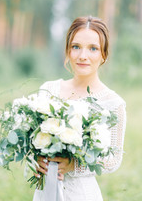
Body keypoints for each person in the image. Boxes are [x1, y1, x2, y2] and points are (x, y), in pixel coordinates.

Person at [33, 16, 126, 201]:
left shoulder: (113, 103)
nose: (82, 55)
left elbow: (114, 159)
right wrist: (35, 160)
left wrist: (75, 165)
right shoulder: (48, 90)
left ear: (104, 54)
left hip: (82, 194)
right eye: (76, 47)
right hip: (45, 191)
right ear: (68, 50)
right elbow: (32, 139)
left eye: (93, 48)